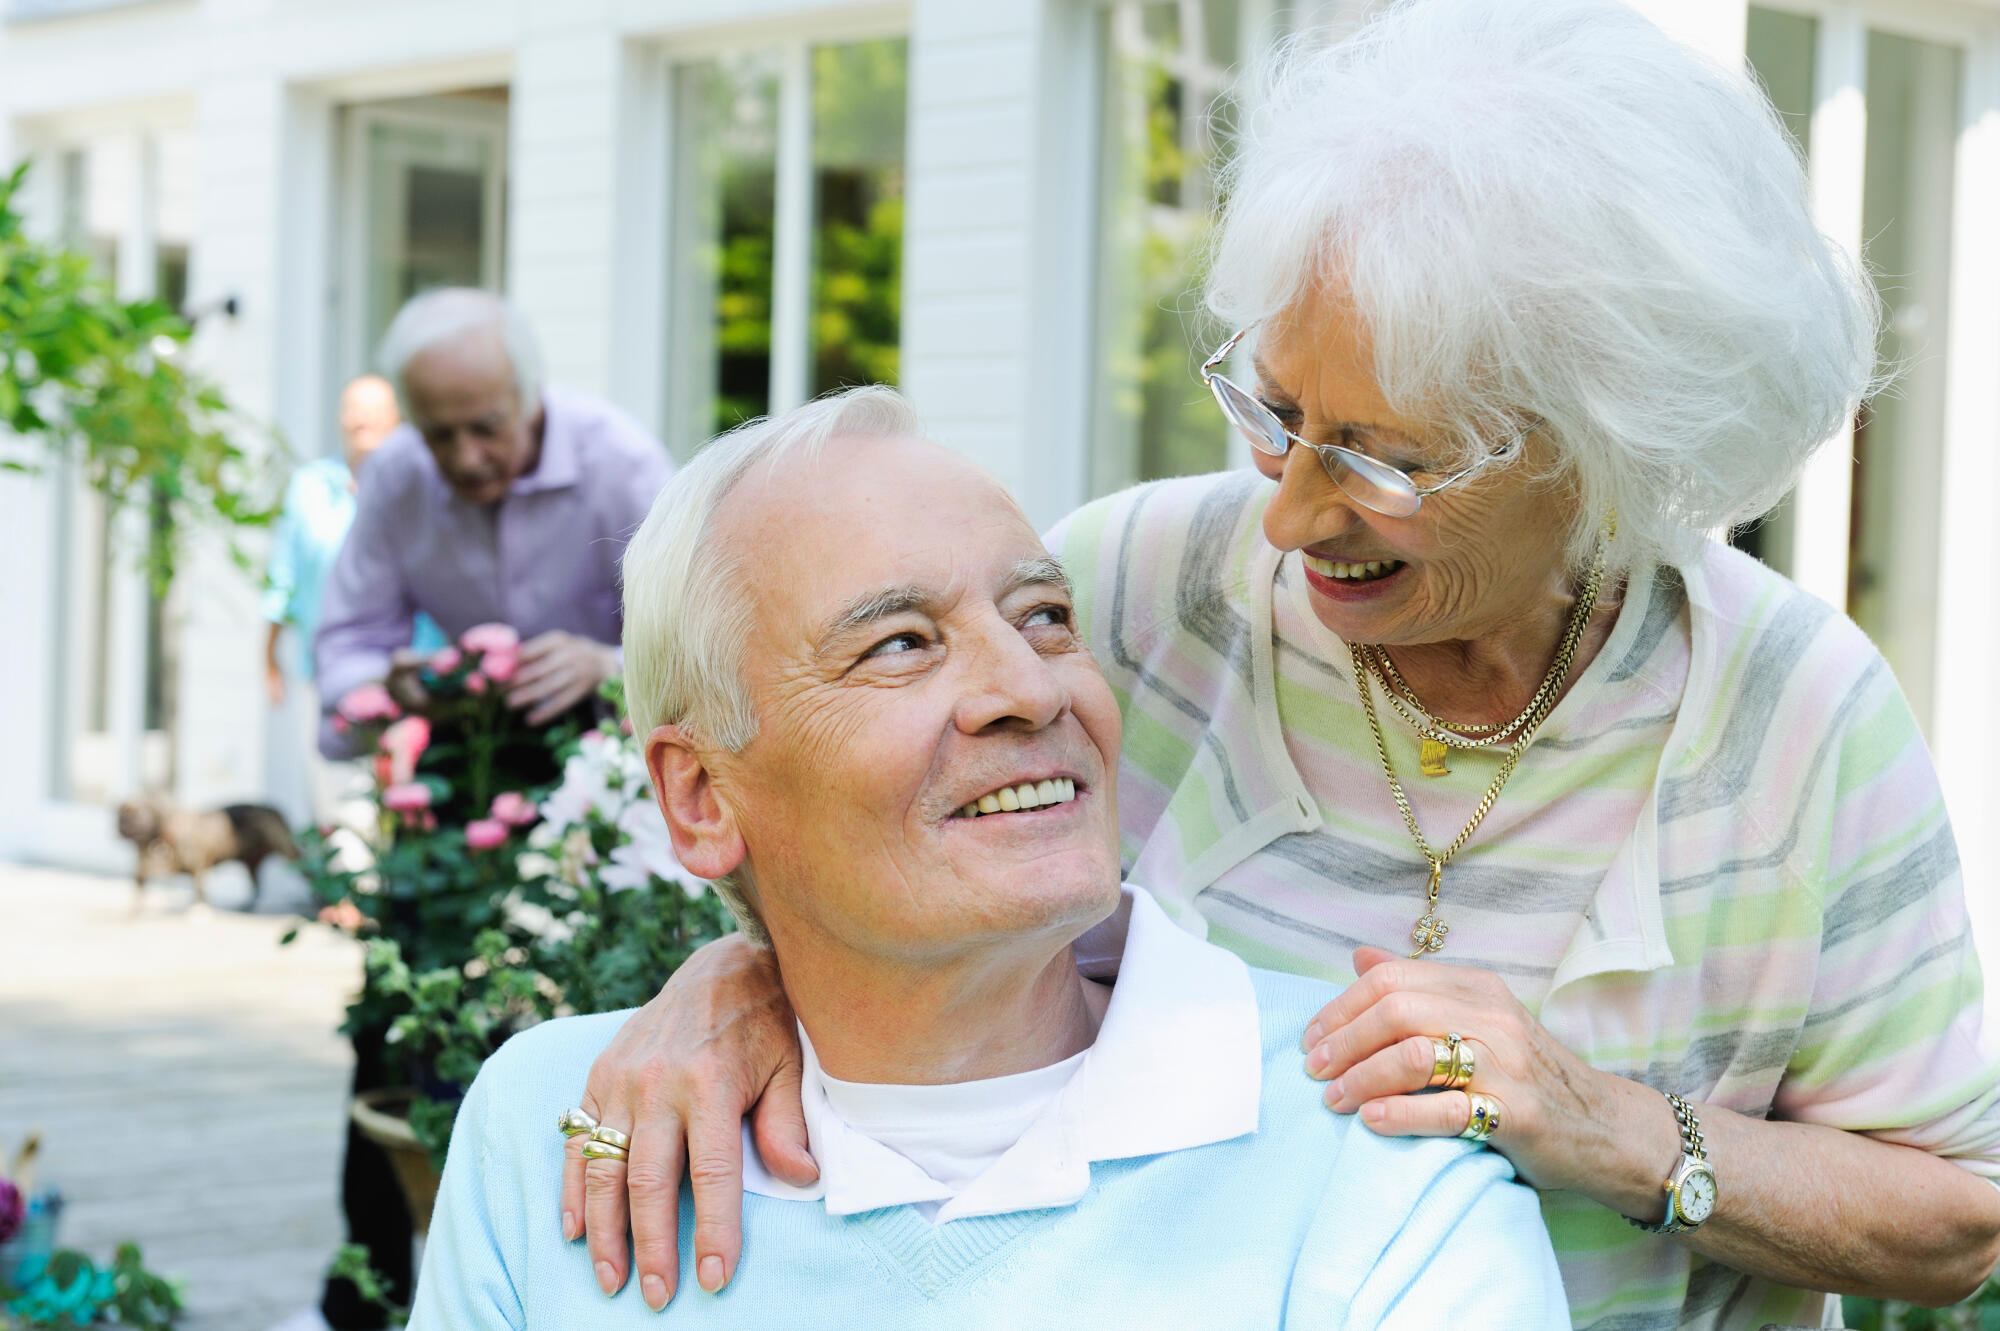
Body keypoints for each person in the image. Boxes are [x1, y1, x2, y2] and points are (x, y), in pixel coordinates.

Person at [564, 2, 2000, 1326]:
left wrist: (1609, 1126)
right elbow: (878, 836)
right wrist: (738, 977)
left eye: (1387, 457)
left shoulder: (1792, 710)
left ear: (1607, 451)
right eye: (1281, 409)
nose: (1293, 510)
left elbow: (1957, 1216)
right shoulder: (1140, 587)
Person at [408, 388, 1568, 1328]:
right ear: (704, 797)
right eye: (901, 643)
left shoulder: (1368, 1148)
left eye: (1045, 617)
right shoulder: (551, 1127)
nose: (1028, 686)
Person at [314, 288, 673, 754]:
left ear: (530, 395)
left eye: (486, 426)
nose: (466, 458)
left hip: (623, 757)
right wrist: (386, 685)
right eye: (438, 434)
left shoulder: (621, 465)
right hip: (471, 754)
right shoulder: (397, 474)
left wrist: (607, 666)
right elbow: (349, 641)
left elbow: (703, 641)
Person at [261, 375, 443, 826]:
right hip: (329, 666)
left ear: (396, 419)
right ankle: (348, 893)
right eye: (353, 408)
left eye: (374, 409)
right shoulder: (311, 486)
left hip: (411, 667)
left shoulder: (423, 486)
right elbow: (284, 575)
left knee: (406, 793)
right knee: (338, 797)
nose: (362, 419)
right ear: (341, 418)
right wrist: (269, 654)